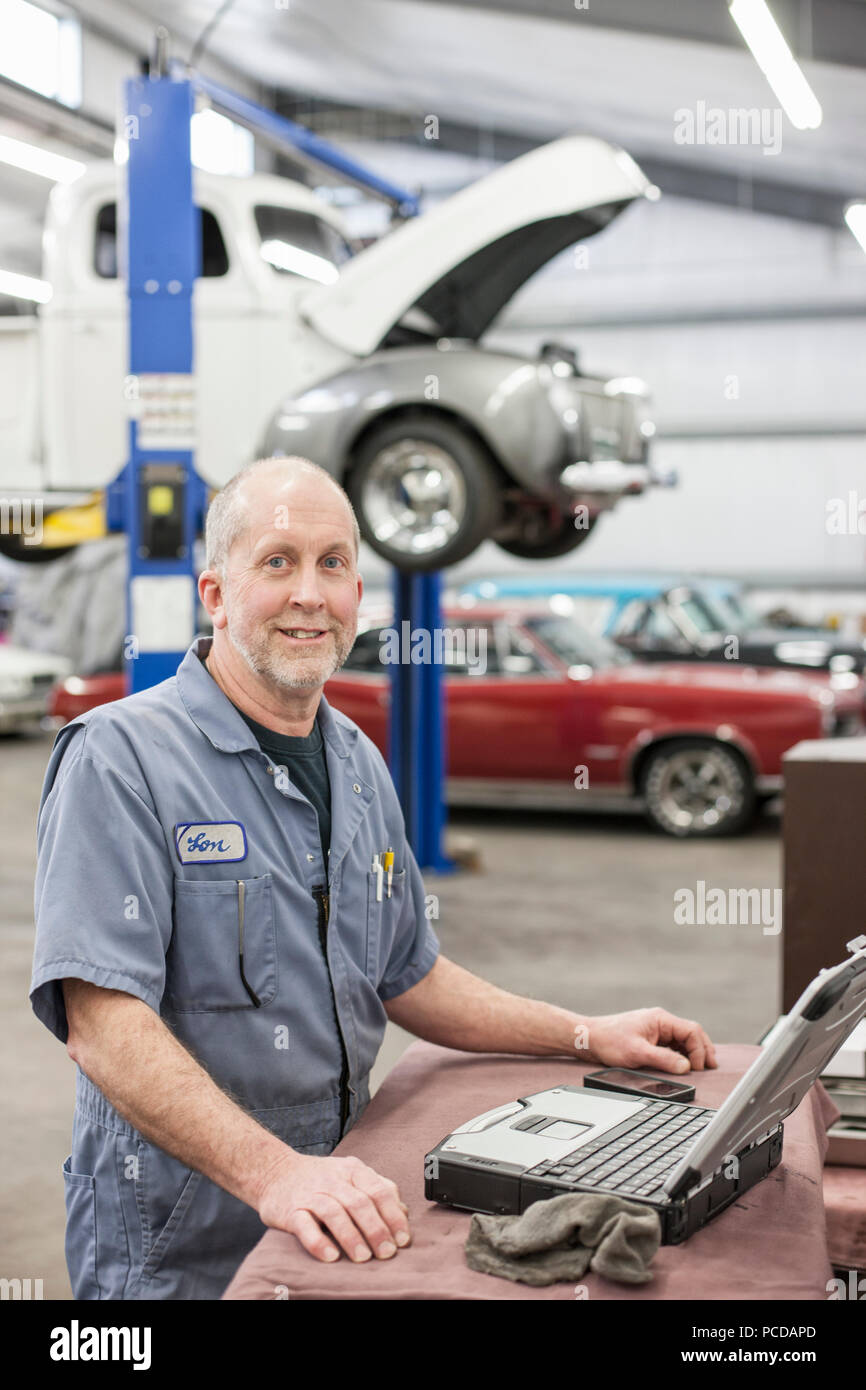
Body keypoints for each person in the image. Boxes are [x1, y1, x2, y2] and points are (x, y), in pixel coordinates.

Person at [31, 456, 717, 1300]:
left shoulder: (357, 761)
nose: (310, 594)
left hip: (342, 1211)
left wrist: (584, 1034)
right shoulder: (121, 759)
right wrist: (276, 1175)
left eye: (335, 564)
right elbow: (102, 1023)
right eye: (277, 561)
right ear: (215, 593)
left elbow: (406, 973)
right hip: (180, 1240)